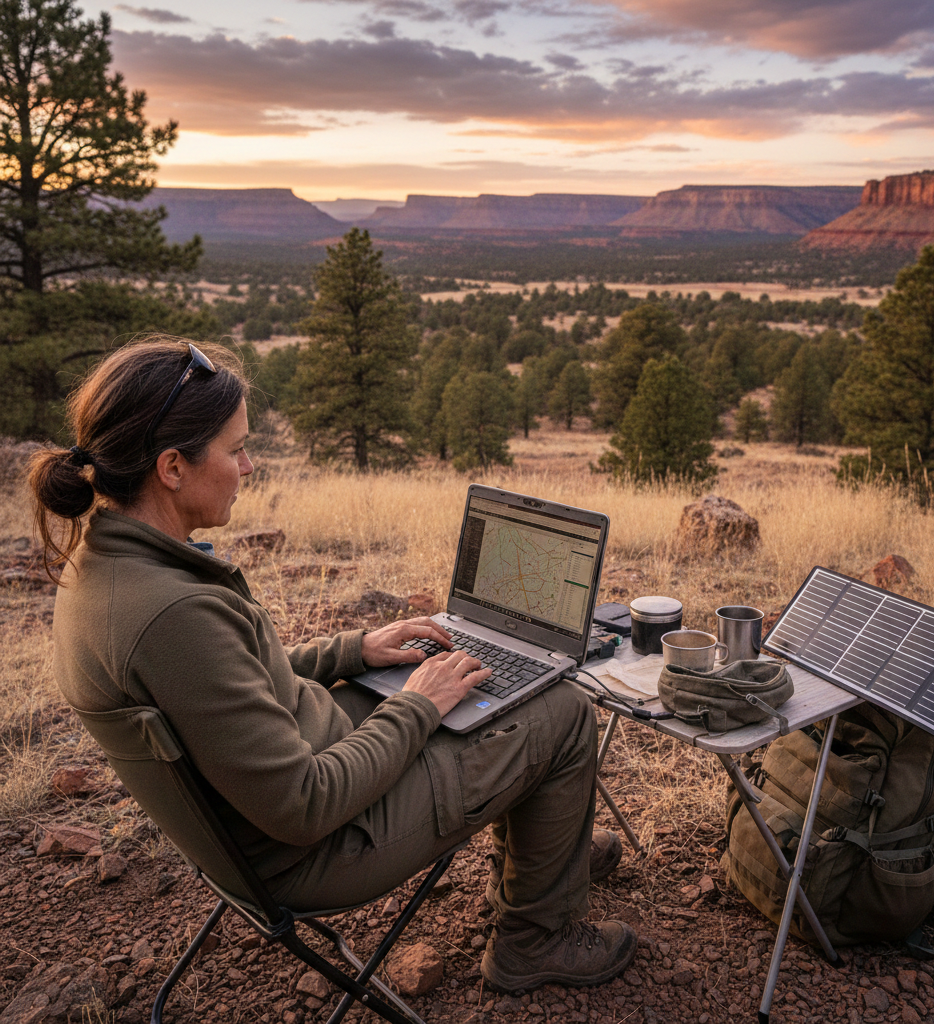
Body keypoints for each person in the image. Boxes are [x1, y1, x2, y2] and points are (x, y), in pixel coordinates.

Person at [30, 336, 638, 992]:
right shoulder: (167, 615)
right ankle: (534, 939)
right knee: (565, 711)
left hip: (292, 778)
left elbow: (226, 684)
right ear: (172, 467)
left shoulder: (111, 566)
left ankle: (550, 856)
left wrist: (355, 651)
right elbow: (305, 806)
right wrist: (417, 706)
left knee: (474, 684)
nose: (250, 465)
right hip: (323, 845)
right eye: (236, 450)